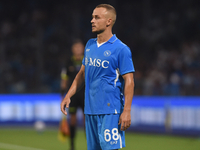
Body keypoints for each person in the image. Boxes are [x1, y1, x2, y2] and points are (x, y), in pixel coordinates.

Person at [61, 4, 135, 150]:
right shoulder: (89, 45)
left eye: (97, 17)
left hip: (110, 111)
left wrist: (126, 110)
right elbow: (81, 73)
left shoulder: (121, 49)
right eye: (92, 17)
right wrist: (68, 95)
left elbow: (129, 81)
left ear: (109, 21)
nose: (92, 21)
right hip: (90, 110)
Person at [60, 40, 85, 150]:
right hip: (73, 96)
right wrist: (63, 94)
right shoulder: (68, 62)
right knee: (73, 120)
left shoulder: (87, 60)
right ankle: (72, 145)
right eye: (76, 48)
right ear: (73, 50)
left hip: (85, 95)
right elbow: (64, 79)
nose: (78, 50)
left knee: (87, 121)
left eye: (80, 48)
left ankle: (90, 144)